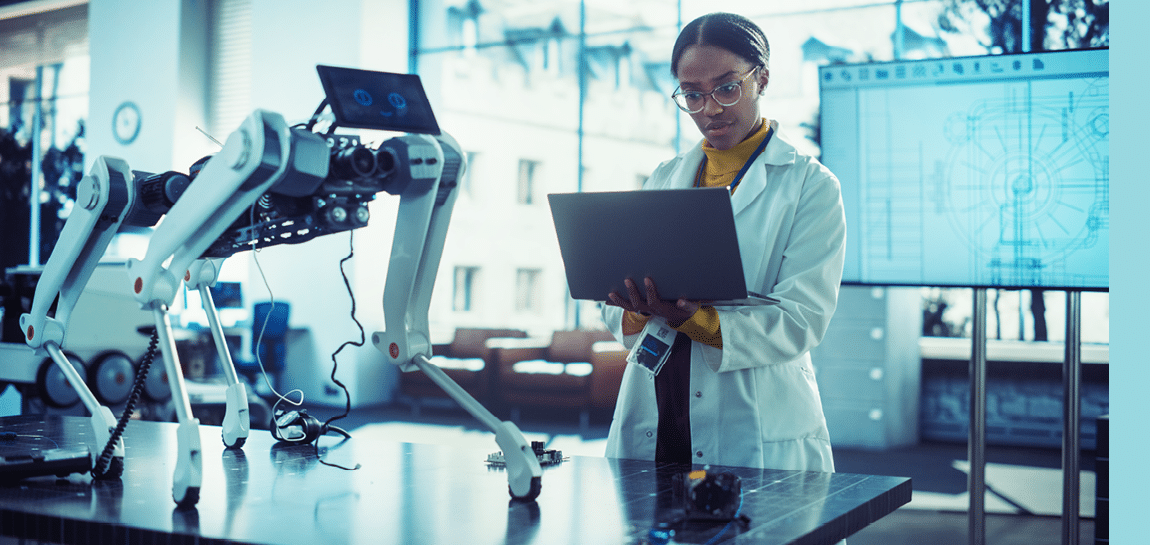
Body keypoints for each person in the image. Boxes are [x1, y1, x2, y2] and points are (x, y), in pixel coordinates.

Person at [601, 12, 846, 473]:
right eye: (692, 94)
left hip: (752, 418)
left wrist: (698, 321)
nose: (709, 108)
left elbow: (803, 320)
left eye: (726, 88)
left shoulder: (810, 187)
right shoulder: (663, 178)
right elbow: (613, 311)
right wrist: (634, 305)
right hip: (657, 403)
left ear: (762, 79)